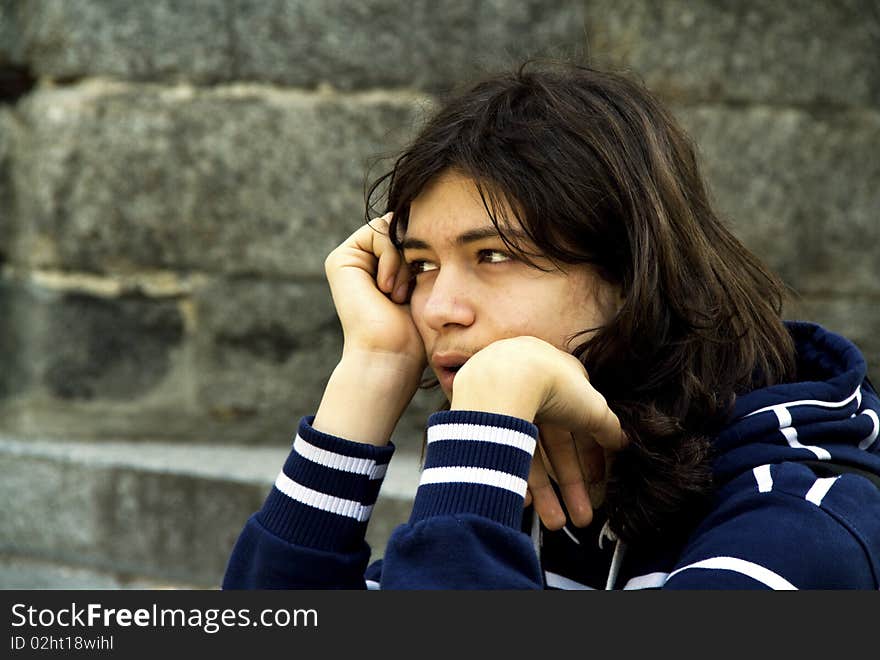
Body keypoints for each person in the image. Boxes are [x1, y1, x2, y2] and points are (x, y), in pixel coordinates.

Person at [222, 60, 880, 590]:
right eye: (420, 263)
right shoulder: (548, 470)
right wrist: (374, 367)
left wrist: (490, 412)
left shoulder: (800, 532)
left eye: (494, 255)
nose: (437, 308)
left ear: (631, 271)